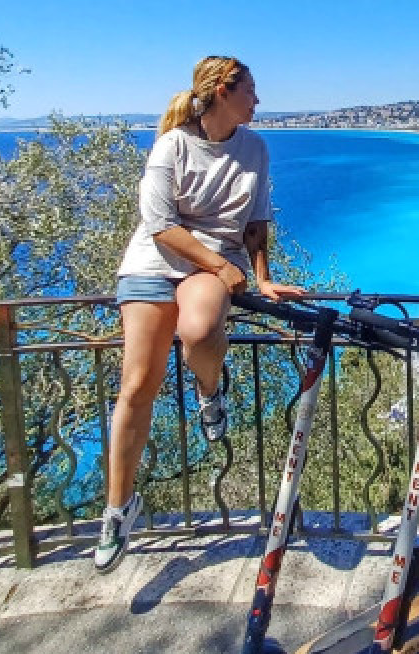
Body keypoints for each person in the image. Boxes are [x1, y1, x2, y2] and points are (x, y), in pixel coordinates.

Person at [94, 56, 304, 573]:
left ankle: (211, 391)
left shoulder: (255, 147)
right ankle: (118, 510)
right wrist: (217, 263)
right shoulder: (172, 146)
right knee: (137, 384)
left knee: (201, 331)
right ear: (221, 92)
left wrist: (260, 277)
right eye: (250, 90)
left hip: (211, 267)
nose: (257, 100)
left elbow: (257, 221)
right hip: (153, 263)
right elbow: (160, 225)